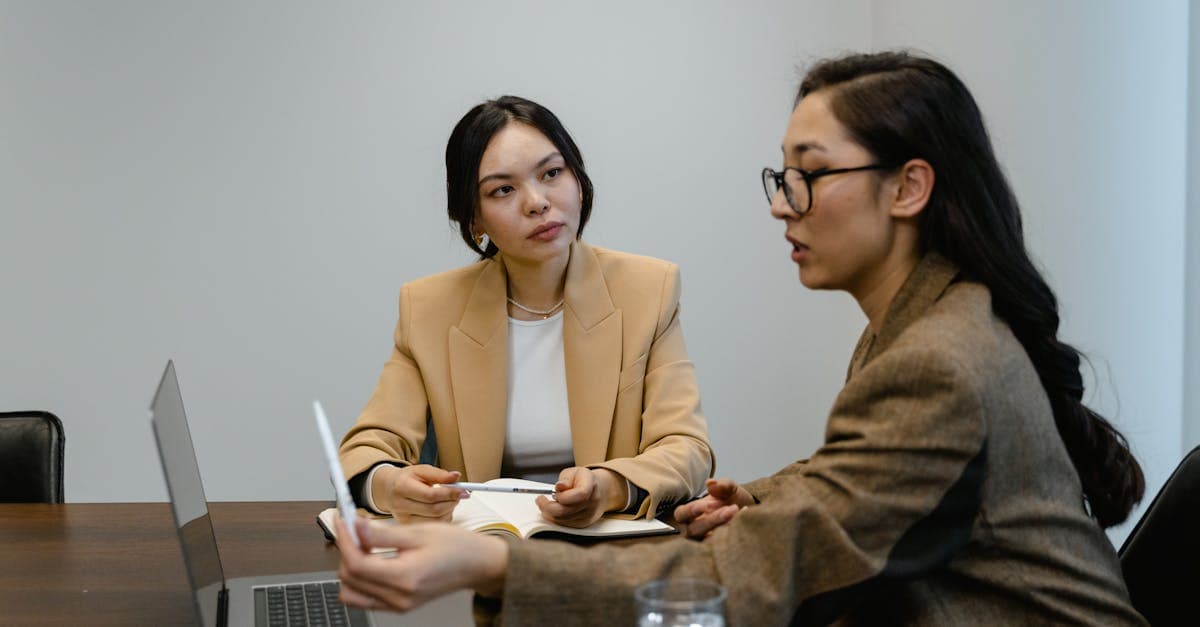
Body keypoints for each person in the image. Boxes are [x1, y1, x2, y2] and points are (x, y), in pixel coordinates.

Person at [332, 52, 1148, 625]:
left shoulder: (938, 356)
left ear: (909, 187)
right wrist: (761, 497)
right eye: (504, 190)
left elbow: (746, 562)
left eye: (808, 175)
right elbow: (850, 487)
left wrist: (491, 563)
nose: (780, 203)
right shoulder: (928, 323)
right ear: (474, 218)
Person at [338, 96, 714, 529]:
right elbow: (366, 448)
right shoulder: (428, 309)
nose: (537, 202)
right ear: (474, 218)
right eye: (503, 189)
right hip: (482, 556)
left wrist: (609, 486)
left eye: (552, 173)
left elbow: (686, 448)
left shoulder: (649, 289)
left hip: (607, 551)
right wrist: (389, 485)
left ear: (578, 178)